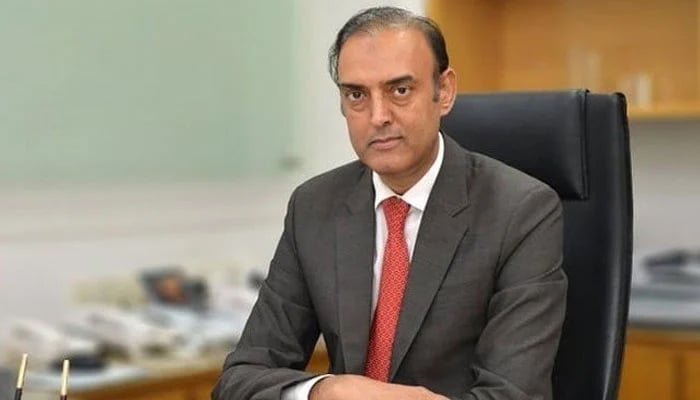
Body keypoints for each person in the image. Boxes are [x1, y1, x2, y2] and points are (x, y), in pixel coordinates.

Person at [212, 6, 567, 400]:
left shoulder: (521, 211)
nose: (378, 116)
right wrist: (327, 390)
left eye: (400, 90)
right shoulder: (314, 206)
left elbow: (515, 395)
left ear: (444, 92)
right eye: (356, 95)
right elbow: (239, 380)